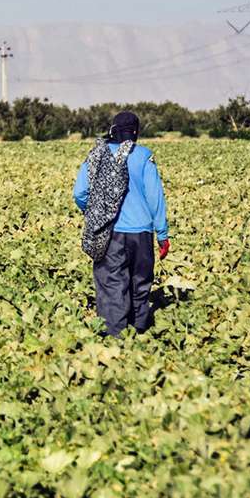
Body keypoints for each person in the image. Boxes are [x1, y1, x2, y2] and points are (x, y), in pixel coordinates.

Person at [73, 111, 169, 337]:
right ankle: (139, 332)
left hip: (110, 232)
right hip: (142, 233)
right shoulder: (144, 156)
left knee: (112, 284)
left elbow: (79, 193)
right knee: (140, 283)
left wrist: (95, 211)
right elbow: (155, 196)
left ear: (112, 129)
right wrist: (162, 234)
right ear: (135, 132)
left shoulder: (97, 155)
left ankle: (115, 338)